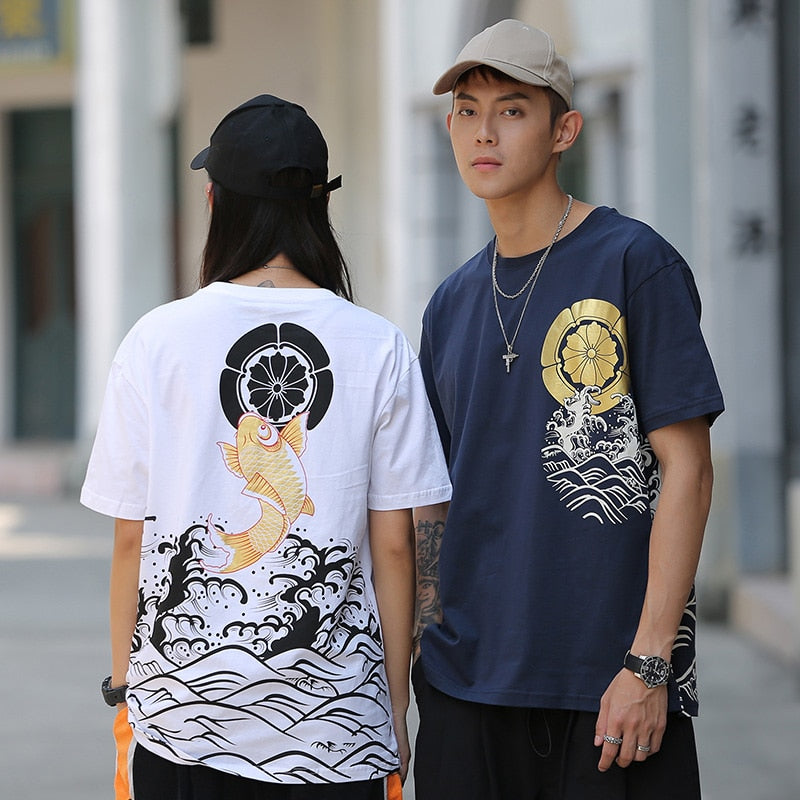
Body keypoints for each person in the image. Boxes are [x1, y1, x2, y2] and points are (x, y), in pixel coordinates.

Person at [80, 94, 451, 800]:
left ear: (215, 202)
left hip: (178, 730)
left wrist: (125, 693)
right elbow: (399, 548)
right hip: (338, 741)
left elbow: (132, 540)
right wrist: (396, 711)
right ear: (321, 207)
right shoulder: (381, 347)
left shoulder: (154, 342)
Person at [412, 19, 724, 800]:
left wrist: (649, 664)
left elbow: (688, 469)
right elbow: (434, 501)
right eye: (467, 111)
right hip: (464, 692)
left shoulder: (634, 263)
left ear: (564, 131)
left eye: (512, 110)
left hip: (609, 690)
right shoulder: (449, 303)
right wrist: (424, 645)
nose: (484, 132)